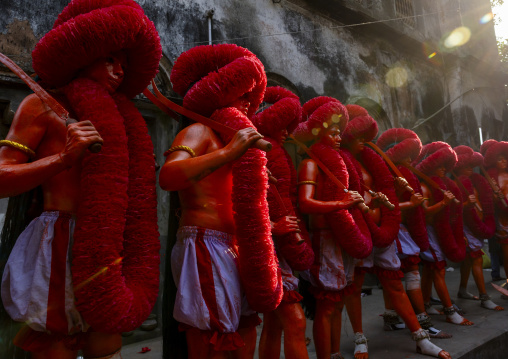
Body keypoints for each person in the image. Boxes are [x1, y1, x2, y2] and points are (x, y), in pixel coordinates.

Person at [0, 0, 162, 358]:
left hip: (112, 240)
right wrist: (64, 159)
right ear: (82, 53)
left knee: (108, 342)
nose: (118, 71)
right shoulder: (40, 106)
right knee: (56, 345)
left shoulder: (126, 121)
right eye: (109, 59)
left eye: (124, 63)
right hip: (57, 243)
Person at [159, 44, 283, 359]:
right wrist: (227, 154)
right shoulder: (199, 132)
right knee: (210, 334)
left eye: (250, 95)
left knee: (245, 327)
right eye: (240, 92)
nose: (247, 100)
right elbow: (168, 176)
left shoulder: (235, 139)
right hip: (203, 243)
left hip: (235, 245)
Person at [295, 96, 370, 359]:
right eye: (333, 132)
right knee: (326, 307)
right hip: (324, 239)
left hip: (342, 238)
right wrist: (341, 202)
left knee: (337, 305)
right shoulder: (310, 163)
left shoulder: (338, 164)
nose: (339, 138)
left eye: (340, 133)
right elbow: (305, 203)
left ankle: (336, 353)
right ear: (319, 132)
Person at [254, 86, 314, 359]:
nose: (288, 133)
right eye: (283, 125)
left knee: (275, 324)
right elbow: (241, 201)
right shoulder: (256, 149)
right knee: (295, 321)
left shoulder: (273, 150)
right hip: (268, 245)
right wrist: (271, 227)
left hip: (282, 242)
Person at [376, 128, 452, 339]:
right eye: (407, 155)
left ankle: (395, 319)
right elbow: (384, 206)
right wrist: (410, 201)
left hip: (403, 230)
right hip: (394, 230)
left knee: (396, 277)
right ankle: (422, 321)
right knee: (405, 274)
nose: (411, 159)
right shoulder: (388, 174)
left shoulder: (402, 174)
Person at [413, 142, 473, 326]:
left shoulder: (443, 184)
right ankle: (449, 311)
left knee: (431, 270)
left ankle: (426, 302)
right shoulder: (424, 187)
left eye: (444, 165)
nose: (442, 169)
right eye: (438, 165)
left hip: (439, 232)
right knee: (437, 268)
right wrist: (443, 204)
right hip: (429, 232)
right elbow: (424, 212)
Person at [452, 146, 503, 310]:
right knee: (476, 259)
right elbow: (452, 209)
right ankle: (484, 297)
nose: (470, 169)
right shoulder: (454, 184)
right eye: (467, 166)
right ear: (459, 166)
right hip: (466, 226)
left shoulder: (476, 181)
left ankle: (462, 289)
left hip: (478, 225)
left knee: (469, 260)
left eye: (471, 166)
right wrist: (466, 204)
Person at [481, 140, 508, 286]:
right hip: (502, 219)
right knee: (505, 250)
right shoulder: (491, 178)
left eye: (505, 158)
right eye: (500, 158)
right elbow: (487, 200)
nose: (503, 161)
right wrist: (494, 196)